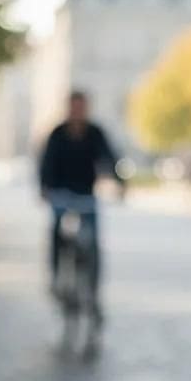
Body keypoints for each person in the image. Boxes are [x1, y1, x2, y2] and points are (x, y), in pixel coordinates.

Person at [39, 90, 124, 320]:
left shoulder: (95, 133)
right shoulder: (57, 134)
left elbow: (110, 158)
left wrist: (120, 181)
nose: (77, 111)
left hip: (86, 195)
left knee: (94, 241)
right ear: (68, 108)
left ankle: (94, 289)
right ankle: (57, 277)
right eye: (74, 107)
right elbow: (46, 163)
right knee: (57, 233)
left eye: (81, 107)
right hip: (61, 194)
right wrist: (44, 188)